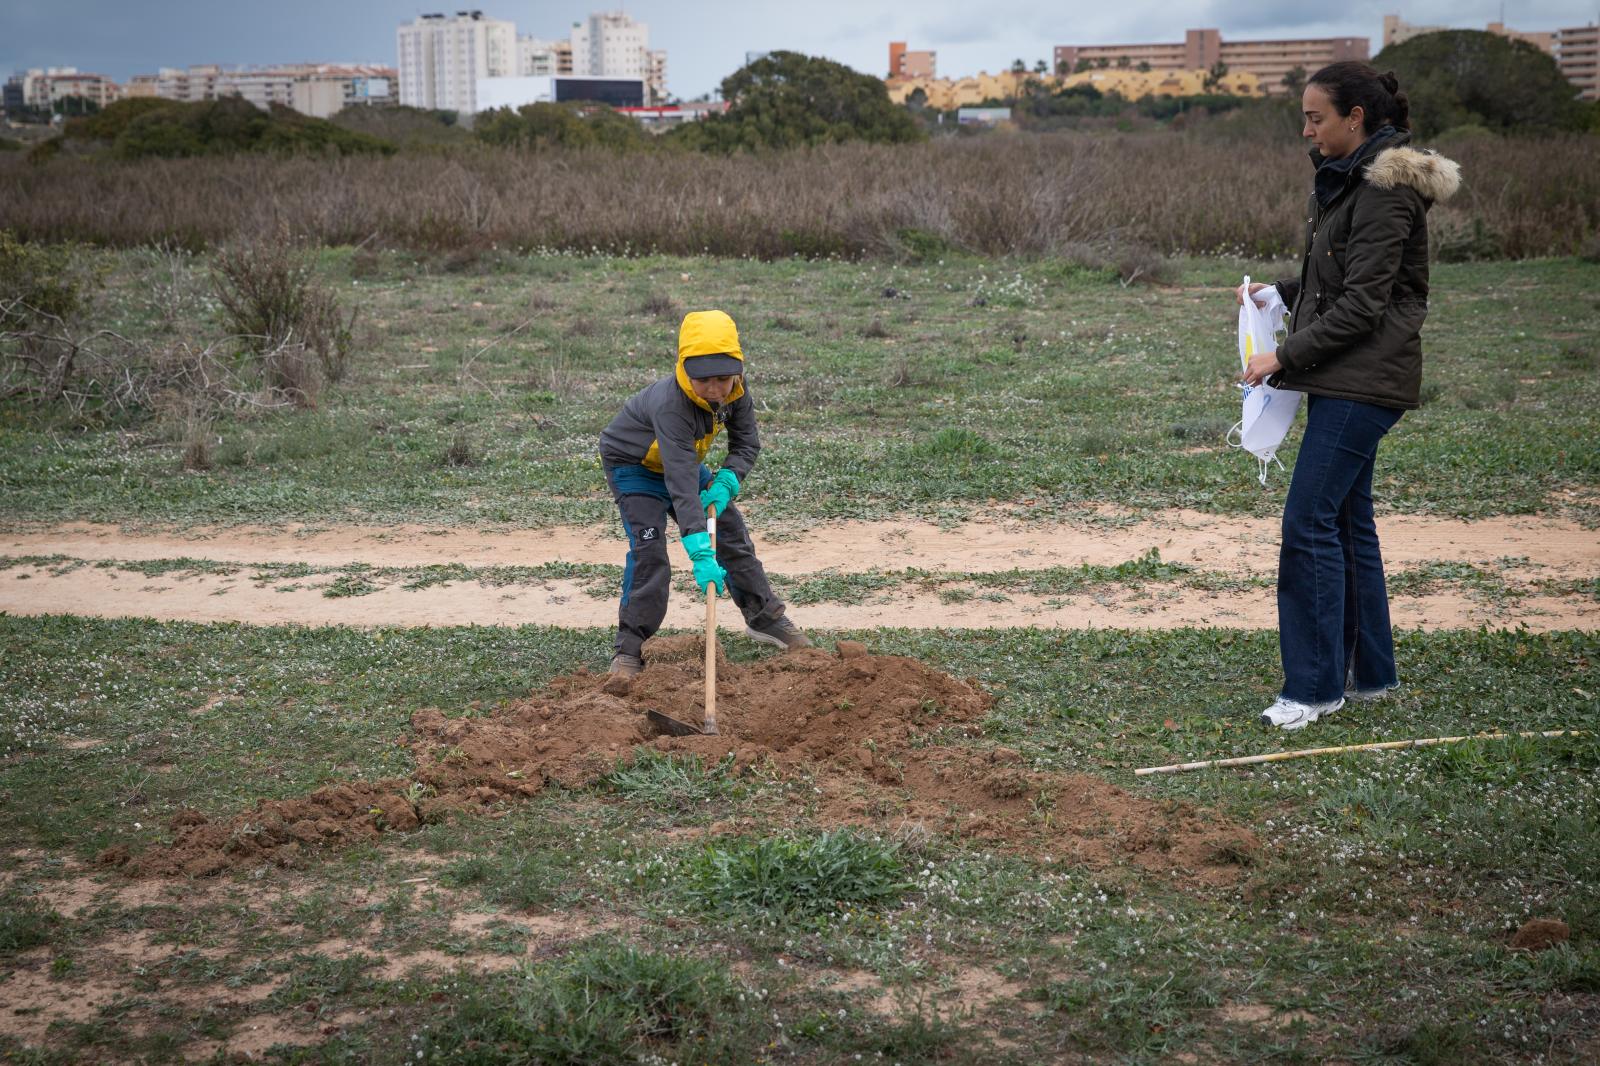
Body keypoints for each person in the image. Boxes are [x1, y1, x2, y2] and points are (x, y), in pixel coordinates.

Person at [1237, 62, 1459, 730]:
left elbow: (1365, 305)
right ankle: (1372, 674)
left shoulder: (1386, 189)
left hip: (1365, 380)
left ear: (1355, 118)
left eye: (1316, 118)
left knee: (1307, 523)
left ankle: (1313, 689)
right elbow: (1341, 275)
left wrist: (1282, 357)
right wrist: (1281, 294)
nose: (1307, 130)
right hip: (1346, 375)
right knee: (1345, 521)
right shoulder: (1346, 179)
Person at [598, 309, 810, 676]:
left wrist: (728, 479)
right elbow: (680, 482)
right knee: (650, 553)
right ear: (685, 370)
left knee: (730, 533)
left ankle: (764, 618)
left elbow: (746, 443)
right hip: (634, 468)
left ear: (737, 371)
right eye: (703, 380)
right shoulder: (671, 404)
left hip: (681, 461)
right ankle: (630, 649)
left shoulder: (736, 392)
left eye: (723, 379)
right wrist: (698, 547)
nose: (714, 390)